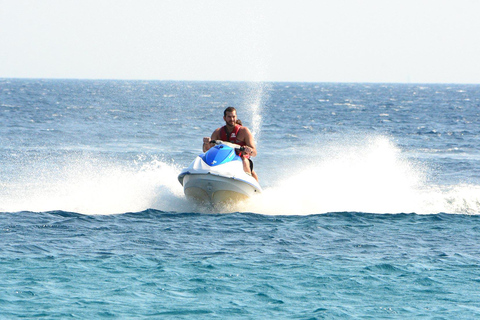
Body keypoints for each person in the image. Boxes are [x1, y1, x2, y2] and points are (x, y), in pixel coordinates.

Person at [203, 107, 259, 181]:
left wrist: (249, 150)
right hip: (224, 159)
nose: (232, 119)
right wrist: (206, 143)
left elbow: (254, 153)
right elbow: (207, 151)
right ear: (224, 118)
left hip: (240, 159)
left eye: (233, 117)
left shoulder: (244, 131)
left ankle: (247, 182)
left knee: (245, 161)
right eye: (229, 117)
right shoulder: (218, 132)